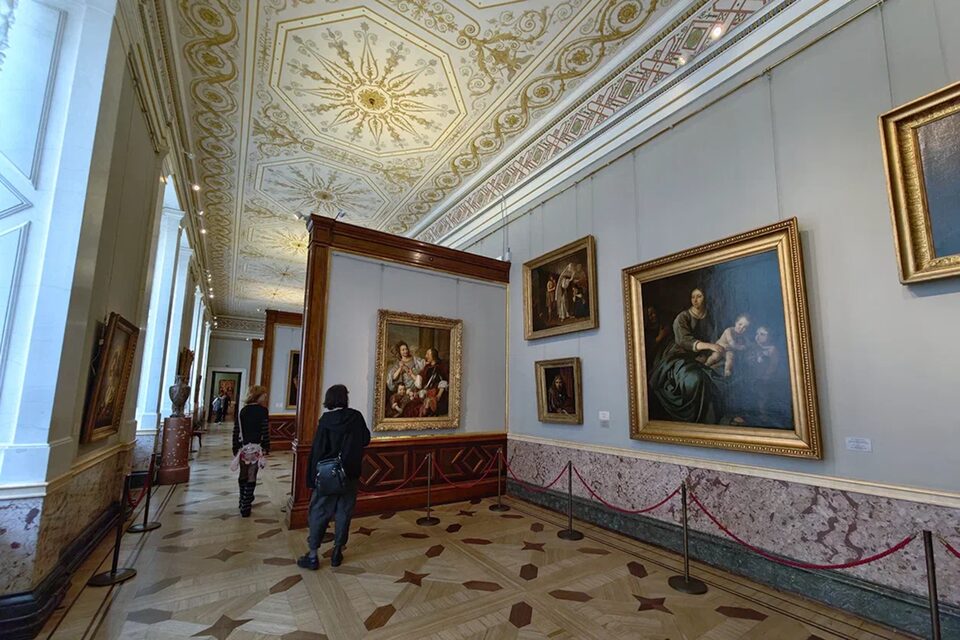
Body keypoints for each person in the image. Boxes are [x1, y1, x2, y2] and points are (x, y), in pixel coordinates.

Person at [298, 384, 371, 570]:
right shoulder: (356, 417)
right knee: (344, 512)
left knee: (319, 511)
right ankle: (337, 551)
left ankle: (313, 555)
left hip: (327, 474)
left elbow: (318, 450)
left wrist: (312, 478)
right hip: (350, 473)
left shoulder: (326, 420)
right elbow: (365, 439)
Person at [648, 288, 726, 423]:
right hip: (679, 356)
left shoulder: (712, 317)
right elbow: (684, 341)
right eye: (693, 297)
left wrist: (709, 352)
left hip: (703, 356)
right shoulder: (683, 317)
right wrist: (709, 346)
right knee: (695, 379)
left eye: (699, 296)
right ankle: (699, 421)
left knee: (720, 379)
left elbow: (716, 338)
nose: (695, 300)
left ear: (706, 298)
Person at [232, 385, 270, 517]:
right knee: (252, 475)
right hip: (256, 447)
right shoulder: (263, 411)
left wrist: (235, 447)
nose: (265, 396)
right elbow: (265, 430)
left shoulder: (243, 411)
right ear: (257, 396)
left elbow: (237, 430)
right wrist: (266, 446)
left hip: (243, 447)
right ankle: (246, 505)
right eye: (264, 394)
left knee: (243, 474)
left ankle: (242, 499)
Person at [416, 347, 449, 417]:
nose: (426, 356)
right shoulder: (427, 367)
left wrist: (439, 395)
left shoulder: (441, 366)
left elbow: (444, 380)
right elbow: (421, 378)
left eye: (428, 354)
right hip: (427, 390)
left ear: (433, 356)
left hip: (437, 391)